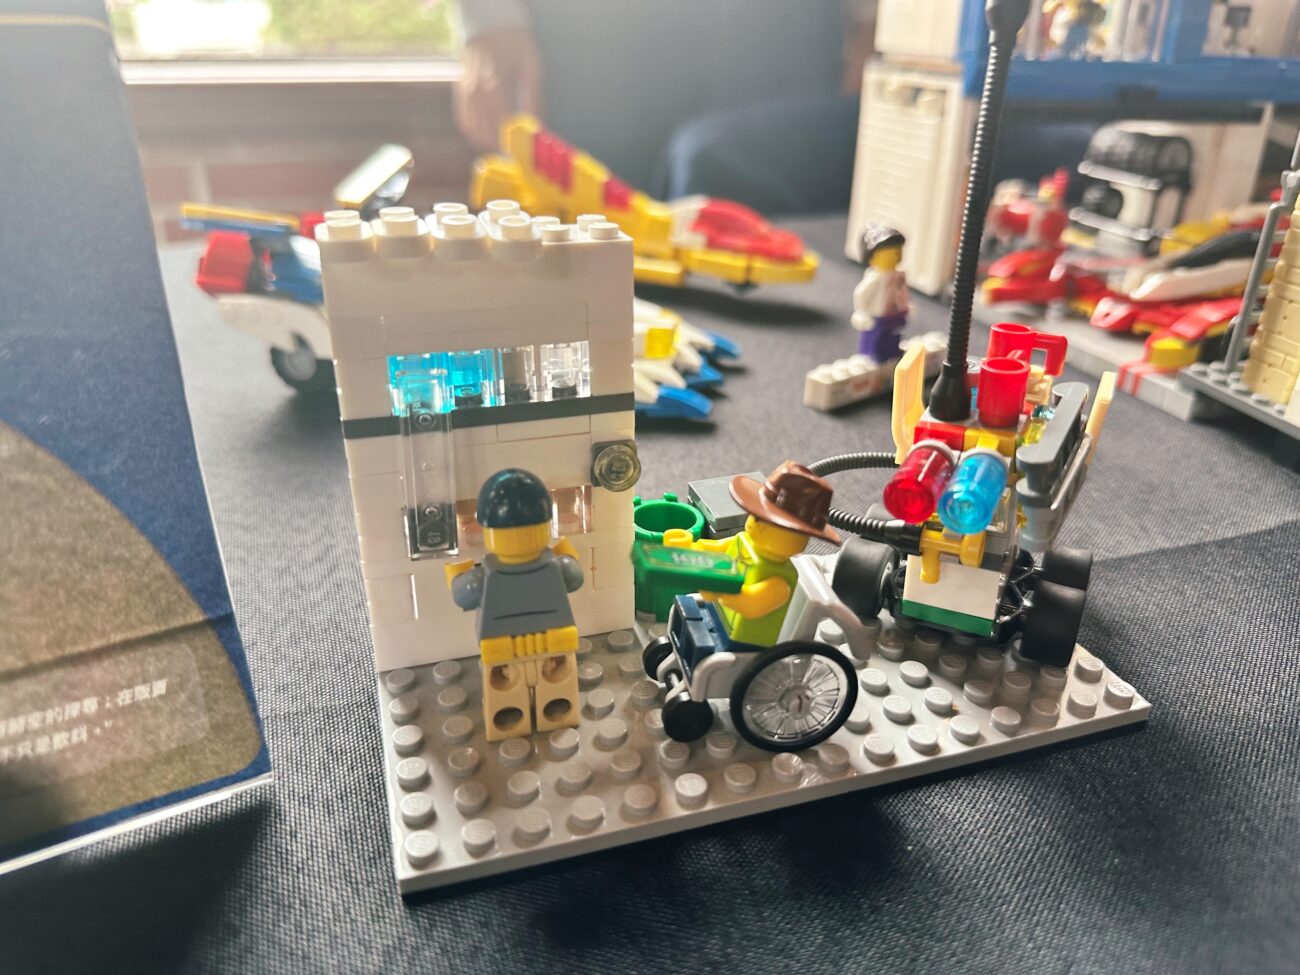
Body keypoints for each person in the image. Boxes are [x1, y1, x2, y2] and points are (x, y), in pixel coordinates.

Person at [453, 0, 876, 213]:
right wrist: (489, 16)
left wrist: (876, 18)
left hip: (775, 25)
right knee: (590, 249)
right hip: (596, 27)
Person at [446, 468, 584, 739]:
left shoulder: (482, 577)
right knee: (557, 689)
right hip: (556, 641)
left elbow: (461, 595)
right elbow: (575, 577)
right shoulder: (557, 567)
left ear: (489, 530)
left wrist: (455, 576)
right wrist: (568, 554)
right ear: (545, 523)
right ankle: (557, 716)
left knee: (506, 695)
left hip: (502, 647)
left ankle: (507, 725)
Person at [665, 462, 840, 646]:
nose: (758, 524)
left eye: (776, 524)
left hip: (744, 642)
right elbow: (715, 548)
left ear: (802, 537)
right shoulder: (744, 541)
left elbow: (751, 604)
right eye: (758, 514)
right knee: (681, 612)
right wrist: (687, 547)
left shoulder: (781, 581)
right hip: (716, 612)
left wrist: (719, 590)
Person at [851, 223, 909, 363]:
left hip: (896, 313)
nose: (896, 255)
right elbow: (860, 294)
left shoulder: (898, 275)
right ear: (872, 258)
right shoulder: (875, 278)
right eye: (890, 252)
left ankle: (892, 351)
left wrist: (907, 305)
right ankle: (873, 355)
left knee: (895, 334)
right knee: (876, 338)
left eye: (899, 251)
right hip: (877, 317)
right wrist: (861, 311)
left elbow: (902, 291)